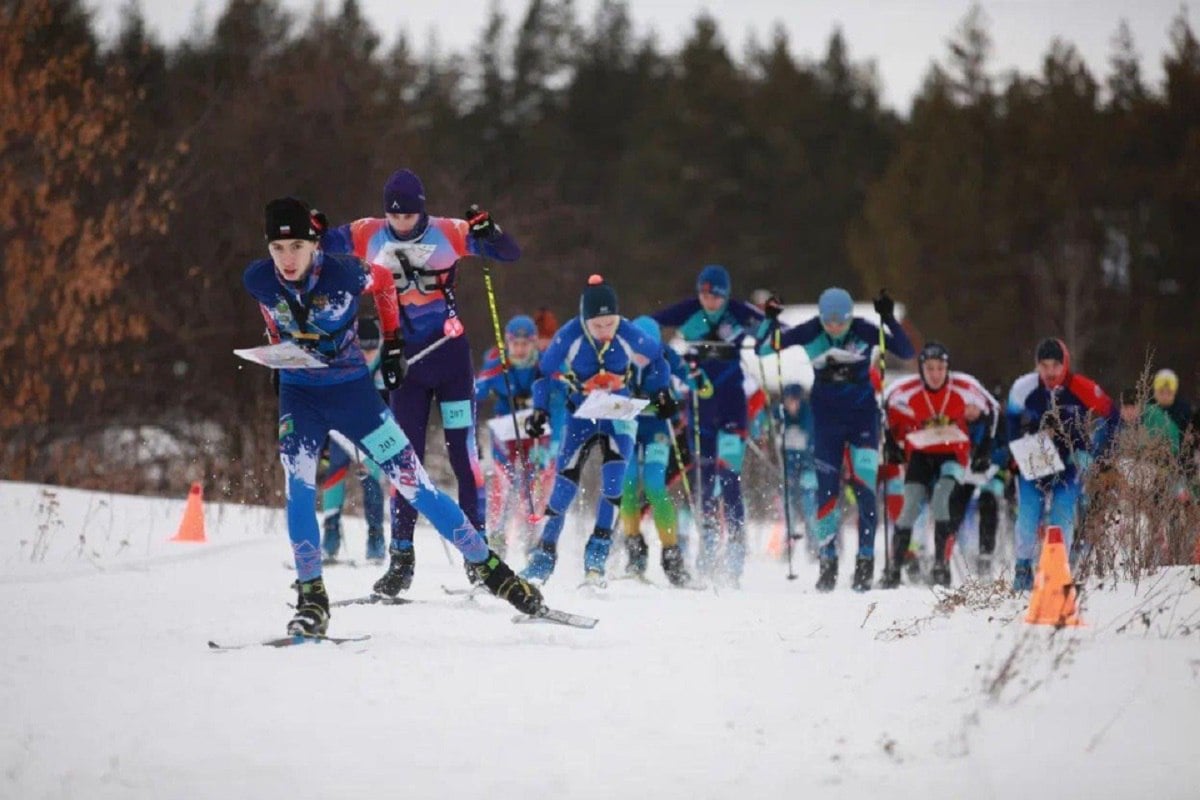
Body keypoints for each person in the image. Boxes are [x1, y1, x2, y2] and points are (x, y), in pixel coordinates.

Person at [244, 196, 541, 635]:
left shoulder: (345, 273)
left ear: (314, 246)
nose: (287, 260)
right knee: (299, 490)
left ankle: (493, 570)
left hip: (354, 396)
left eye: (297, 249)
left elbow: (384, 282)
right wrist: (275, 353)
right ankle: (312, 598)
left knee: (415, 485)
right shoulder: (259, 279)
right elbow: (272, 313)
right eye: (277, 250)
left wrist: (393, 341)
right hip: (300, 396)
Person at [319, 169, 519, 594]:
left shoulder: (450, 231)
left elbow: (508, 252)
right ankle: (401, 560)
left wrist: (491, 230)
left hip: (451, 363)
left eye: (409, 216)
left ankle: (477, 556)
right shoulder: (367, 232)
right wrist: (312, 225)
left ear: (422, 210)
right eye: (395, 217)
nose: (402, 224)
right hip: (403, 366)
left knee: (463, 458)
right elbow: (318, 244)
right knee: (402, 462)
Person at [522, 276, 673, 585]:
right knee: (564, 487)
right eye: (598, 325)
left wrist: (661, 391)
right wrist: (539, 409)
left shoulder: (628, 332)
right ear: (585, 319)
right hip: (581, 414)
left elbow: (658, 359)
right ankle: (543, 557)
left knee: (614, 484)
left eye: (610, 323)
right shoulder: (571, 334)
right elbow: (543, 372)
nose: (606, 331)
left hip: (619, 414)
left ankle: (596, 559)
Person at [768, 288, 914, 591]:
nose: (834, 327)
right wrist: (769, 320)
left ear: (850, 317)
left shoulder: (863, 328)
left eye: (841, 321)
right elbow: (768, 347)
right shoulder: (811, 330)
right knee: (827, 494)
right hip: (826, 423)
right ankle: (828, 561)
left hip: (863, 421)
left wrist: (888, 318)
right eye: (829, 322)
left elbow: (906, 349)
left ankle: (864, 563)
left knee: (865, 491)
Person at [650, 265, 766, 586]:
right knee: (703, 482)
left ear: (725, 295)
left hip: (732, 409)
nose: (709, 301)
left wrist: (767, 326)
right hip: (701, 411)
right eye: (704, 294)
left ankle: (736, 555)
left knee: (729, 479)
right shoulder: (689, 311)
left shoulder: (738, 311)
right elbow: (650, 322)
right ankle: (709, 547)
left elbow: (771, 331)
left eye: (715, 296)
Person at [880, 343, 995, 587]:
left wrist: (984, 447)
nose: (935, 374)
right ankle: (893, 569)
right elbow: (883, 408)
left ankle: (941, 567)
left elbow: (993, 409)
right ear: (921, 369)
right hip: (921, 453)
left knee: (942, 498)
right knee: (909, 505)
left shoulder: (964, 386)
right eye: (929, 368)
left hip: (953, 454)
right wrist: (890, 443)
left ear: (947, 368)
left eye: (940, 368)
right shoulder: (905, 388)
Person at [1009, 338, 1117, 591]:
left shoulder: (1081, 387)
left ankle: (1057, 572)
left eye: (1055, 365)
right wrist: (1014, 456)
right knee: (1027, 517)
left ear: (1065, 364)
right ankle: (1023, 569)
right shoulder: (1023, 388)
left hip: (1070, 461)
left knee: (1062, 515)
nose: (1049, 372)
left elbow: (1113, 417)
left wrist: (1099, 455)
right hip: (1036, 457)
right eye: (1043, 365)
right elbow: (1010, 425)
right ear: (1036, 365)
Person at [617, 316, 694, 587]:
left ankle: (673, 558)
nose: (641, 356)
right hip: (627, 427)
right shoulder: (618, 354)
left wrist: (674, 402)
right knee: (626, 484)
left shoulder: (665, 356)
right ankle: (635, 553)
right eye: (636, 350)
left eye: (646, 350)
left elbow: (694, 383)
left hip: (657, 431)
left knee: (654, 486)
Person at [475, 314, 546, 556]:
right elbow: (475, 394)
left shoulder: (543, 364)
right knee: (503, 482)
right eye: (515, 344)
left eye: (525, 344)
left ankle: (531, 536)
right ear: (507, 342)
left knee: (530, 481)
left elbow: (559, 396)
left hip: (535, 430)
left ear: (534, 343)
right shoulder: (496, 362)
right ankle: (497, 535)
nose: (520, 349)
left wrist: (554, 440)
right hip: (505, 429)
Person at [318, 317, 387, 564]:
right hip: (341, 428)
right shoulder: (343, 357)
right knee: (334, 475)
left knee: (371, 478)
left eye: (373, 349)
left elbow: (391, 400)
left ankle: (376, 539)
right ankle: (331, 536)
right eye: (363, 349)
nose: (368, 355)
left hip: (373, 430)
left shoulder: (385, 363)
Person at [777, 383, 818, 551]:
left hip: (808, 468)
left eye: (794, 400)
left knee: (810, 506)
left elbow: (812, 441)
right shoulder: (781, 414)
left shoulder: (808, 415)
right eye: (788, 400)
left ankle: (814, 543)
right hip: (789, 468)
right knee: (788, 506)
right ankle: (789, 541)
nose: (791, 404)